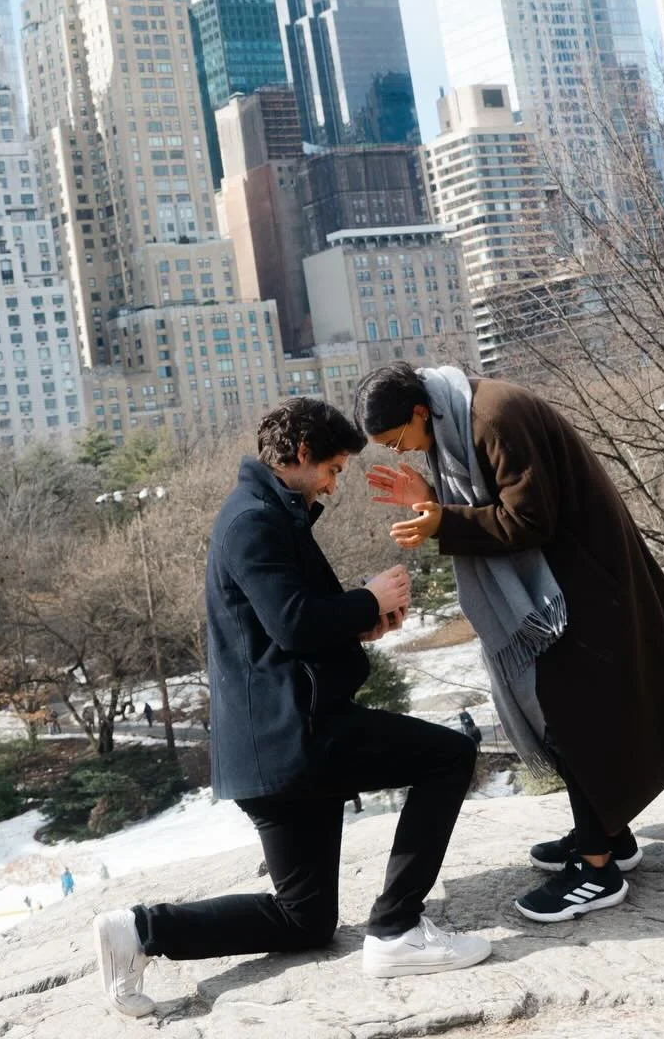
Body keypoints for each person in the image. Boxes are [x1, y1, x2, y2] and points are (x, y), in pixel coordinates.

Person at [92, 399, 491, 1020]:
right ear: (301, 454)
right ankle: (397, 929)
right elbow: (294, 623)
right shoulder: (253, 522)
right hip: (296, 736)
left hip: (275, 746)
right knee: (450, 756)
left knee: (304, 918)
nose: (333, 484)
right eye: (332, 469)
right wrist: (368, 598)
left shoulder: (267, 513)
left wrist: (361, 624)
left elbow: (282, 631)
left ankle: (139, 931)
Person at [358, 362, 664, 925]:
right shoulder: (461, 416)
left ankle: (597, 870)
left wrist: (442, 522)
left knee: (571, 716)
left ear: (419, 411)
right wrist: (430, 500)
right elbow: (494, 502)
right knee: (570, 714)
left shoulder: (492, 419)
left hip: (578, 583)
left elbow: (530, 520)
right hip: (561, 581)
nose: (401, 451)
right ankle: (607, 835)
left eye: (397, 440)